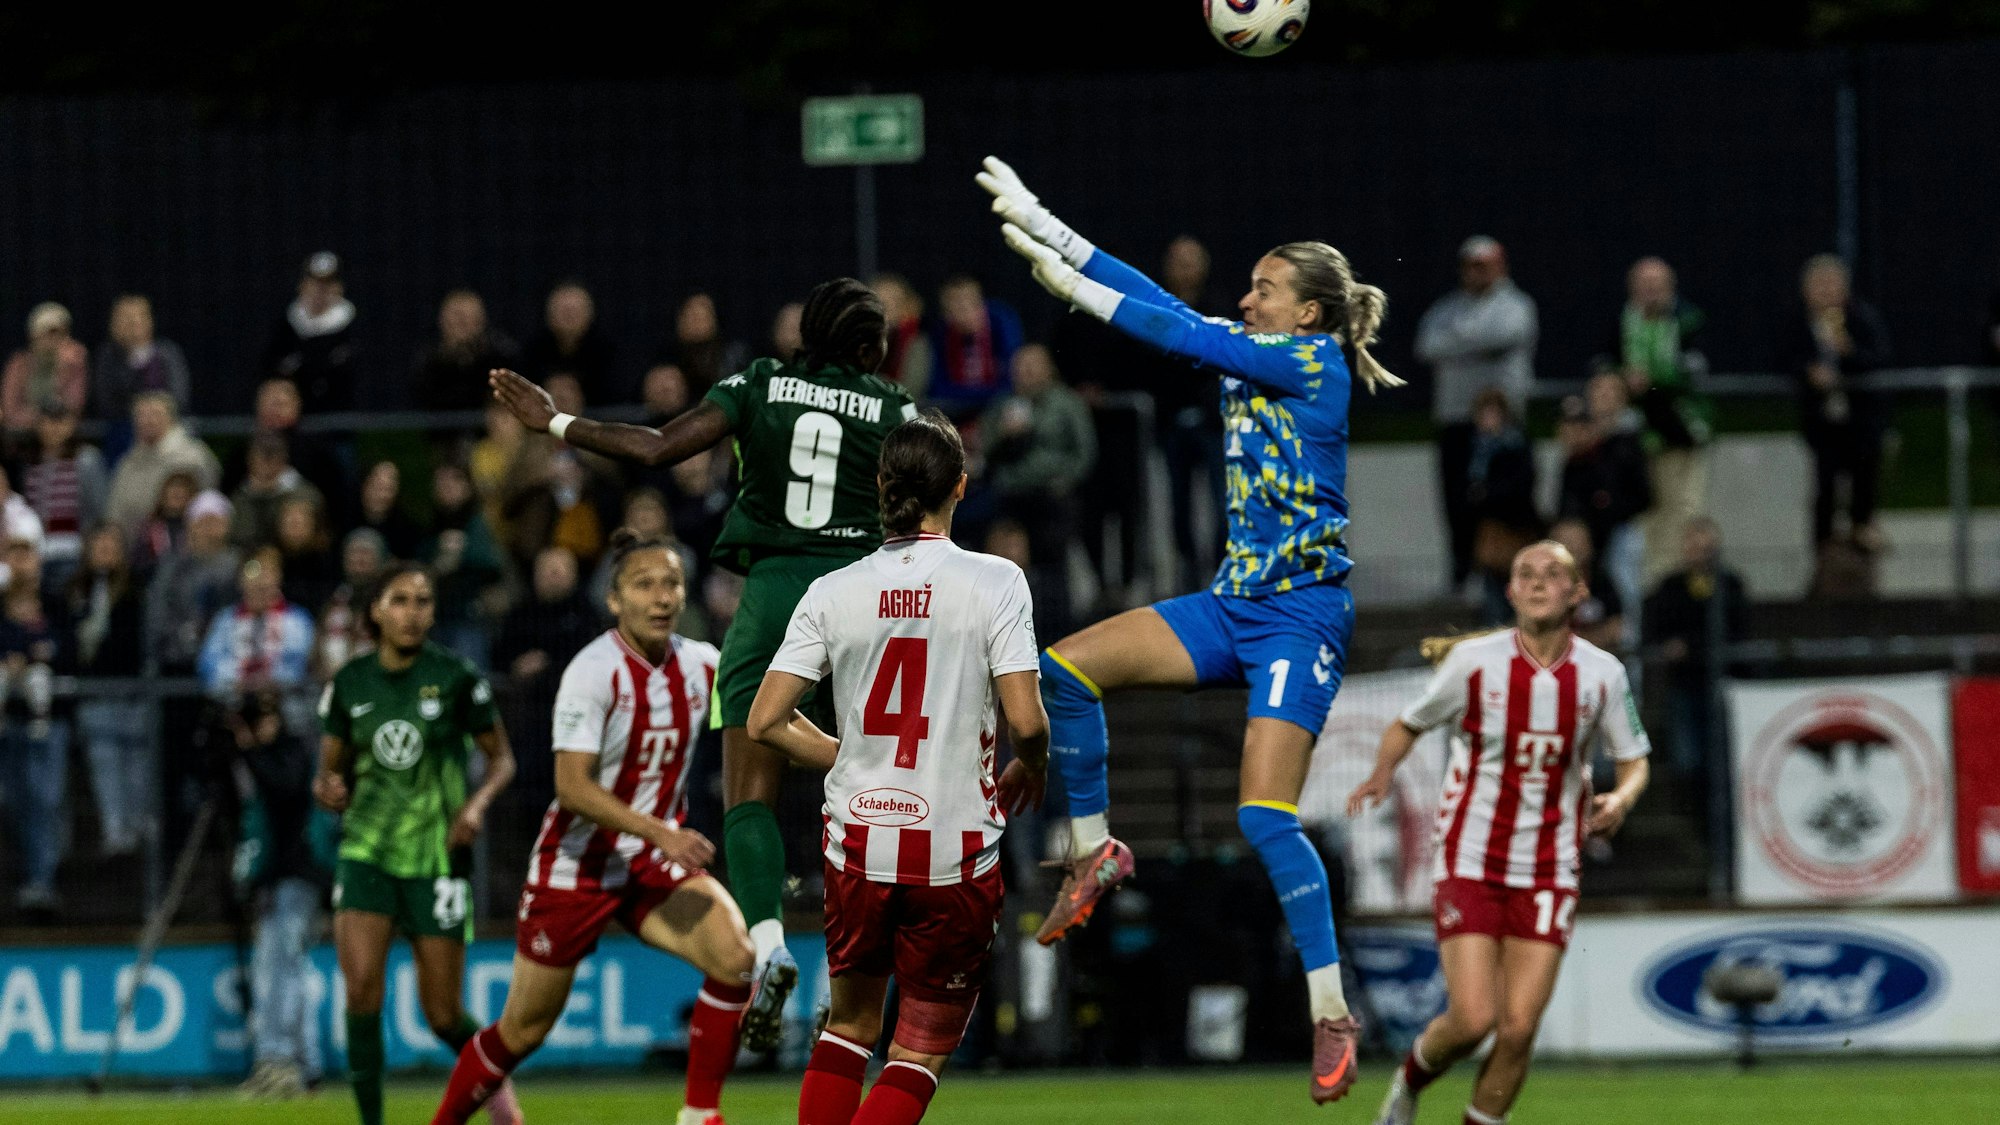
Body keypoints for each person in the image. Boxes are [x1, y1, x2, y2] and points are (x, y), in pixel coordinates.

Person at [979, 155, 1404, 1103]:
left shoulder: (1312, 361)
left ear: (1309, 313)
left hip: (1300, 617)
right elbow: (1162, 303)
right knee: (1065, 670)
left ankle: (1331, 1008)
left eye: (1265, 289)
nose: (1246, 299)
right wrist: (1050, 226)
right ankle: (1095, 848)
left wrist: (1073, 292)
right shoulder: (1258, 345)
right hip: (1232, 605)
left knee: (1263, 816)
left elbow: (1170, 326)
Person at [487, 277, 920, 1052]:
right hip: (863, 597)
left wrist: (554, 419)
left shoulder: (758, 382)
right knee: (872, 787)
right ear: (865, 346)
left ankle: (769, 942)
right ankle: (865, 957)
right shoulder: (895, 407)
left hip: (773, 597)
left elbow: (657, 447)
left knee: (749, 791)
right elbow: (937, 489)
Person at [746, 412, 1050, 1125]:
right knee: (917, 1052)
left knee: (848, 1027)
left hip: (858, 845)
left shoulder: (832, 590)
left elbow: (764, 721)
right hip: (952, 853)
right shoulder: (996, 580)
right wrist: (1031, 764)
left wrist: (851, 755)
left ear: (881, 485)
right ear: (961, 486)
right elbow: (1029, 721)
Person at [431, 532, 749, 1125]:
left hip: (648, 862)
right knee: (522, 1032)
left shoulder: (702, 663)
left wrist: (840, 752)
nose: (661, 597)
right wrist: (661, 832)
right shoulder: (593, 671)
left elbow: (768, 714)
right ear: (614, 600)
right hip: (576, 867)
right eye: (644, 585)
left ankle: (699, 1115)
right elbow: (572, 788)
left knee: (736, 958)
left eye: (671, 584)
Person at [1348, 540, 1651, 1125]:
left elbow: (1635, 758)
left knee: (1517, 1030)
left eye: (1552, 574)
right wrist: (1382, 772)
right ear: (1510, 591)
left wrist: (1621, 796)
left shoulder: (1603, 675)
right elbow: (1408, 723)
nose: (1537, 583)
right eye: (1525, 574)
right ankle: (1408, 1085)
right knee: (1473, 1020)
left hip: (1550, 868)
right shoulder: (1474, 663)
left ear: (1578, 592)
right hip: (1470, 857)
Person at [311, 562, 519, 1125]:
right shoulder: (350, 683)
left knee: (443, 1013)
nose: (412, 612)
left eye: (423, 601)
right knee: (362, 992)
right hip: (366, 855)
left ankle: (499, 1093)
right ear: (376, 611)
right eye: (400, 600)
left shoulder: (456, 678)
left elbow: (502, 759)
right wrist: (329, 789)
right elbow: (331, 774)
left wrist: (475, 806)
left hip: (437, 858)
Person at [1415, 237, 1539, 594]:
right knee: (1456, 499)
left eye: (1484, 266)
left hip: (1504, 421)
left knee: (1505, 501)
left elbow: (1506, 333)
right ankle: (1461, 574)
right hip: (1456, 420)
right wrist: (1477, 344)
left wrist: (1458, 344)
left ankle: (1509, 577)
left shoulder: (1516, 305)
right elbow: (1426, 346)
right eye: (1471, 266)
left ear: (1500, 267)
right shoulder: (1447, 308)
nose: (1477, 273)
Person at [1596, 257, 1711, 586]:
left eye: (1657, 286)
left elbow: (1694, 372)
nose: (1650, 293)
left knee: (1683, 511)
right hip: (1636, 440)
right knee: (1644, 517)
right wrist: (1623, 379)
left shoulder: (1687, 321)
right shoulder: (1620, 322)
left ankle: (1676, 583)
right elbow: (1603, 365)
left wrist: (1654, 379)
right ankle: (1646, 586)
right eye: (1643, 286)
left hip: (1679, 433)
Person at [977, 343, 1096, 637]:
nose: (1025, 372)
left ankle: (1056, 633)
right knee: (1006, 565)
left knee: (1053, 568)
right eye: (1020, 366)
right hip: (1012, 497)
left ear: (1048, 369)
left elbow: (1085, 452)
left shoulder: (1067, 403)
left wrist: (1064, 482)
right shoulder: (1003, 405)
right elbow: (987, 454)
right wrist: (1006, 436)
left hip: (1052, 497)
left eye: (1032, 366)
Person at [1781, 254, 1894, 553]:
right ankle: (1824, 555)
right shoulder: (1797, 322)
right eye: (1819, 286)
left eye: (1832, 285)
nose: (1826, 292)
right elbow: (1783, 359)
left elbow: (1880, 360)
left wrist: (1848, 352)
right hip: (1822, 422)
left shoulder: (1862, 319)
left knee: (1864, 484)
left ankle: (1861, 546)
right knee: (1826, 488)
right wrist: (1809, 373)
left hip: (1861, 420)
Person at [1642, 517, 1745, 807]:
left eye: (1706, 547)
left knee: (1721, 754)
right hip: (1685, 683)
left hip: (1721, 681)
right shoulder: (1671, 587)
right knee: (1687, 758)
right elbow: (1656, 628)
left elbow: (1735, 630)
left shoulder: (1729, 585)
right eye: (1694, 545)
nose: (1699, 553)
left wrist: (1692, 645)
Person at [65, 524, 154, 857]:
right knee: (105, 764)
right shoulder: (75, 591)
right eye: (98, 544)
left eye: (111, 545)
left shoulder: (136, 590)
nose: (104, 551)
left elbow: (140, 641)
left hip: (132, 692)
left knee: (136, 763)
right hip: (95, 694)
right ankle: (115, 831)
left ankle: (138, 827)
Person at [0, 534, 69, 916]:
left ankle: (43, 880)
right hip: (10, 720)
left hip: (48, 722)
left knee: (45, 799)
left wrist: (35, 657)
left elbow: (69, 650)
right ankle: (30, 874)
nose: (22, 565)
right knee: (13, 801)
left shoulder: (55, 604)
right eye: (15, 557)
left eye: (28, 556)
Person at [104, 391, 221, 536]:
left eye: (155, 414)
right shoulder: (128, 462)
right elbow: (114, 513)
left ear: (171, 419)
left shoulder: (193, 457)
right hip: (135, 544)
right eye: (142, 415)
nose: (148, 421)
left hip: (182, 541)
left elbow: (208, 505)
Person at [20, 402, 108, 591]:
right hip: (39, 549)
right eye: (48, 422)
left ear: (71, 425)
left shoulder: (86, 460)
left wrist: (89, 546)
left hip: (74, 549)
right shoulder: (31, 463)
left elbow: (98, 508)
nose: (54, 428)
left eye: (60, 422)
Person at [262, 252, 359, 414]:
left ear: (339, 288)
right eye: (314, 282)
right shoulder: (285, 326)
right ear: (302, 285)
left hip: (340, 419)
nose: (320, 290)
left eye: (327, 284)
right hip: (295, 423)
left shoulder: (353, 328)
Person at [926, 275, 1023, 420]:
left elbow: (1012, 379)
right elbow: (938, 386)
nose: (964, 313)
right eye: (955, 307)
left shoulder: (1001, 323)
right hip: (956, 403)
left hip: (997, 401)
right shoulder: (941, 333)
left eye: (970, 304)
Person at [415, 290, 523, 413]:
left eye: (468, 318)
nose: (462, 324)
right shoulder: (428, 362)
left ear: (481, 321)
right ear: (442, 321)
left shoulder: (502, 358)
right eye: (457, 318)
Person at [92, 294, 192, 423]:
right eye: (125, 318)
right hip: (124, 425)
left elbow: (180, 397)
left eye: (138, 317)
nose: (133, 324)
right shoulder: (108, 356)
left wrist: (156, 414)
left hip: (168, 425)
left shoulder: (168, 352)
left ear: (149, 320)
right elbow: (106, 401)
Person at [523, 280, 617, 404]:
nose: (569, 317)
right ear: (549, 313)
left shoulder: (608, 354)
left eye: (575, 311)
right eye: (564, 311)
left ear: (590, 313)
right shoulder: (532, 353)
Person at [2, 302, 89, 436]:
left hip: (62, 433)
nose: (53, 340)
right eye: (47, 334)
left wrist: (66, 366)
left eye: (59, 334)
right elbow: (10, 409)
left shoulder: (75, 362)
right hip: (23, 434)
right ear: (34, 335)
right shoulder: (18, 364)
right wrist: (39, 421)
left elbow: (74, 406)